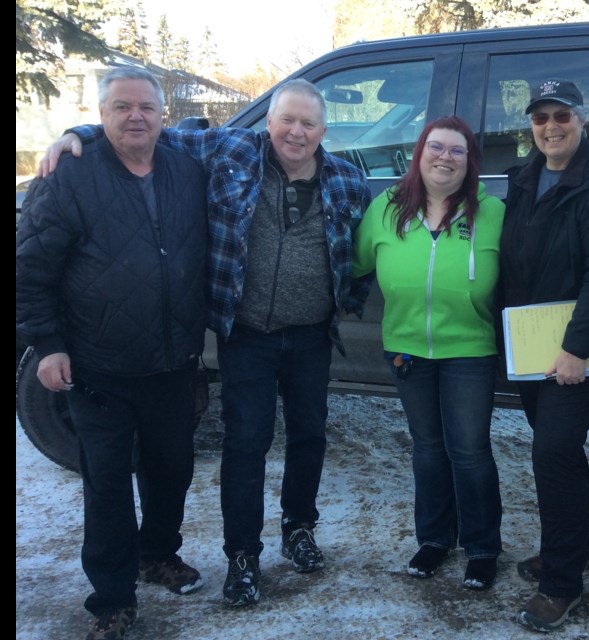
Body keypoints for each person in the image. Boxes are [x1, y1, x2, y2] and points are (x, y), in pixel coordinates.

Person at [42, 79, 373, 608]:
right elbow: (146, 130)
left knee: (309, 436)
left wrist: (346, 301)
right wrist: (77, 132)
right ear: (268, 122)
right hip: (246, 336)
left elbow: (361, 253)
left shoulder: (350, 183)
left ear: (323, 131)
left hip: (311, 336)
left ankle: (299, 529)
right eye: (286, 119)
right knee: (247, 444)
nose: (296, 131)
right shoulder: (230, 149)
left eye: (308, 123)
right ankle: (243, 556)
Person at [17, 67, 208, 640]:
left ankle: (157, 555)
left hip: (174, 361)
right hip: (99, 366)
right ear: (101, 115)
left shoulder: (187, 168)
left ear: (162, 115)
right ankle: (112, 598)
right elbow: (29, 268)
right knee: (106, 486)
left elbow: (264, 137)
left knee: (171, 471)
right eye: (121, 107)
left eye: (146, 107)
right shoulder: (68, 175)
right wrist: (47, 345)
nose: (135, 117)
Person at [499, 78, 589, 632]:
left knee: (554, 450)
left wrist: (576, 349)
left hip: (576, 350)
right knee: (551, 452)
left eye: (562, 116)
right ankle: (563, 549)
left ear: (582, 121)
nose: (551, 127)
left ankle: (561, 583)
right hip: (530, 345)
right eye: (541, 118)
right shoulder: (524, 178)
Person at [352, 116, 505, 590]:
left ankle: (481, 547)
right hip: (407, 350)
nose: (445, 157)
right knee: (428, 449)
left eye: (457, 151)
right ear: (418, 155)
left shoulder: (492, 212)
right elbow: (355, 262)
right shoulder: (386, 207)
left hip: (470, 349)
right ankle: (436, 539)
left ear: (470, 162)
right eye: (435, 147)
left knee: (470, 450)